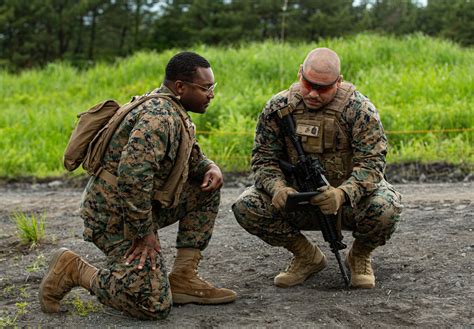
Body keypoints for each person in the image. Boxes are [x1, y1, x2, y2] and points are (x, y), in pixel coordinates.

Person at [39, 51, 237, 320]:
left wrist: (209, 167)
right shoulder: (159, 117)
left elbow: (190, 158)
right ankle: (74, 269)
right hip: (112, 216)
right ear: (180, 87)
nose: (212, 94)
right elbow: (133, 176)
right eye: (206, 88)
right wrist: (144, 233)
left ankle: (183, 277)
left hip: (133, 207)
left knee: (206, 188)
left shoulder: (172, 110)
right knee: (153, 304)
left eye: (213, 87)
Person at [232, 47, 403, 289]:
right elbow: (263, 160)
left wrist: (342, 194)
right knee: (246, 206)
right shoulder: (278, 109)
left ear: (339, 81)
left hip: (347, 203)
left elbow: (372, 166)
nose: (313, 93)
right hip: (299, 200)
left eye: (323, 88)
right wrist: (278, 188)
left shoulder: (359, 110)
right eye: (308, 83)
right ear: (300, 72)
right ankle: (306, 256)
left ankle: (359, 256)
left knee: (386, 208)